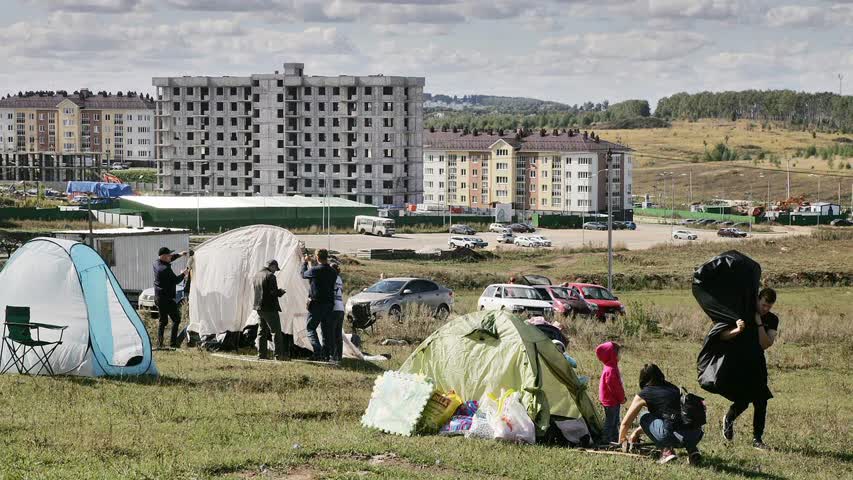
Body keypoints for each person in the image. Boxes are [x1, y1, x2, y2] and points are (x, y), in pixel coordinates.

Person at [721, 287, 779, 450]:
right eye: (763, 305)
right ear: (757, 300)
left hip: (757, 363)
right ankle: (728, 419)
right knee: (744, 400)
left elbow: (766, 344)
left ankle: (757, 439)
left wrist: (759, 321)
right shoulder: (743, 313)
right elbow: (722, 335)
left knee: (761, 401)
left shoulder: (772, 319)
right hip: (738, 362)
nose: (765, 309)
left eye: (769, 306)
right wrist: (738, 329)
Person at [619, 364, 704, 465]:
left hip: (674, 437)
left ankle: (666, 452)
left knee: (644, 416)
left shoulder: (645, 393)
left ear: (642, 379)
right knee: (677, 421)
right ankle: (693, 451)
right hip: (695, 434)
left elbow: (626, 422)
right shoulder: (673, 388)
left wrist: (622, 440)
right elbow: (670, 419)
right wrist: (636, 433)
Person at [301, 249, 337, 362]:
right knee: (326, 330)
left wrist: (305, 262)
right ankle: (326, 355)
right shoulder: (333, 271)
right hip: (329, 304)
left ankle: (317, 352)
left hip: (317, 304)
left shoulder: (315, 270)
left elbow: (303, 274)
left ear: (317, 257)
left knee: (310, 328)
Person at [252, 259, 289, 361]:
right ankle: (278, 355)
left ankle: (261, 355)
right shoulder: (271, 276)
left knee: (261, 331)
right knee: (276, 331)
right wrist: (280, 292)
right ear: (272, 266)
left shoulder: (256, 275)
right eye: (275, 269)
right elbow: (273, 293)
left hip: (259, 307)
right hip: (270, 308)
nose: (275, 271)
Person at [153, 246, 187, 349]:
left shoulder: (156, 263)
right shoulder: (165, 269)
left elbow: (171, 258)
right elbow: (176, 280)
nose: (170, 256)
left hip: (158, 297)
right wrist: (184, 273)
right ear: (164, 256)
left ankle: (160, 344)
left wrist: (180, 254)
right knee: (176, 319)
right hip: (166, 299)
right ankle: (173, 344)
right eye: (168, 255)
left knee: (163, 321)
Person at [596, 341, 626, 445]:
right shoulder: (611, 369)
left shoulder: (610, 366)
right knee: (611, 421)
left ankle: (614, 439)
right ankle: (606, 440)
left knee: (614, 420)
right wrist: (621, 398)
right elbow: (615, 387)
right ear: (612, 354)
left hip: (611, 400)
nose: (620, 356)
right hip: (611, 401)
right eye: (618, 353)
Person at [329, 263, 345, 365]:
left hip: (334, 308)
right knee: (338, 334)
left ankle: (333, 356)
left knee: (331, 333)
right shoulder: (339, 278)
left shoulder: (332, 278)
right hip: (341, 308)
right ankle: (339, 356)